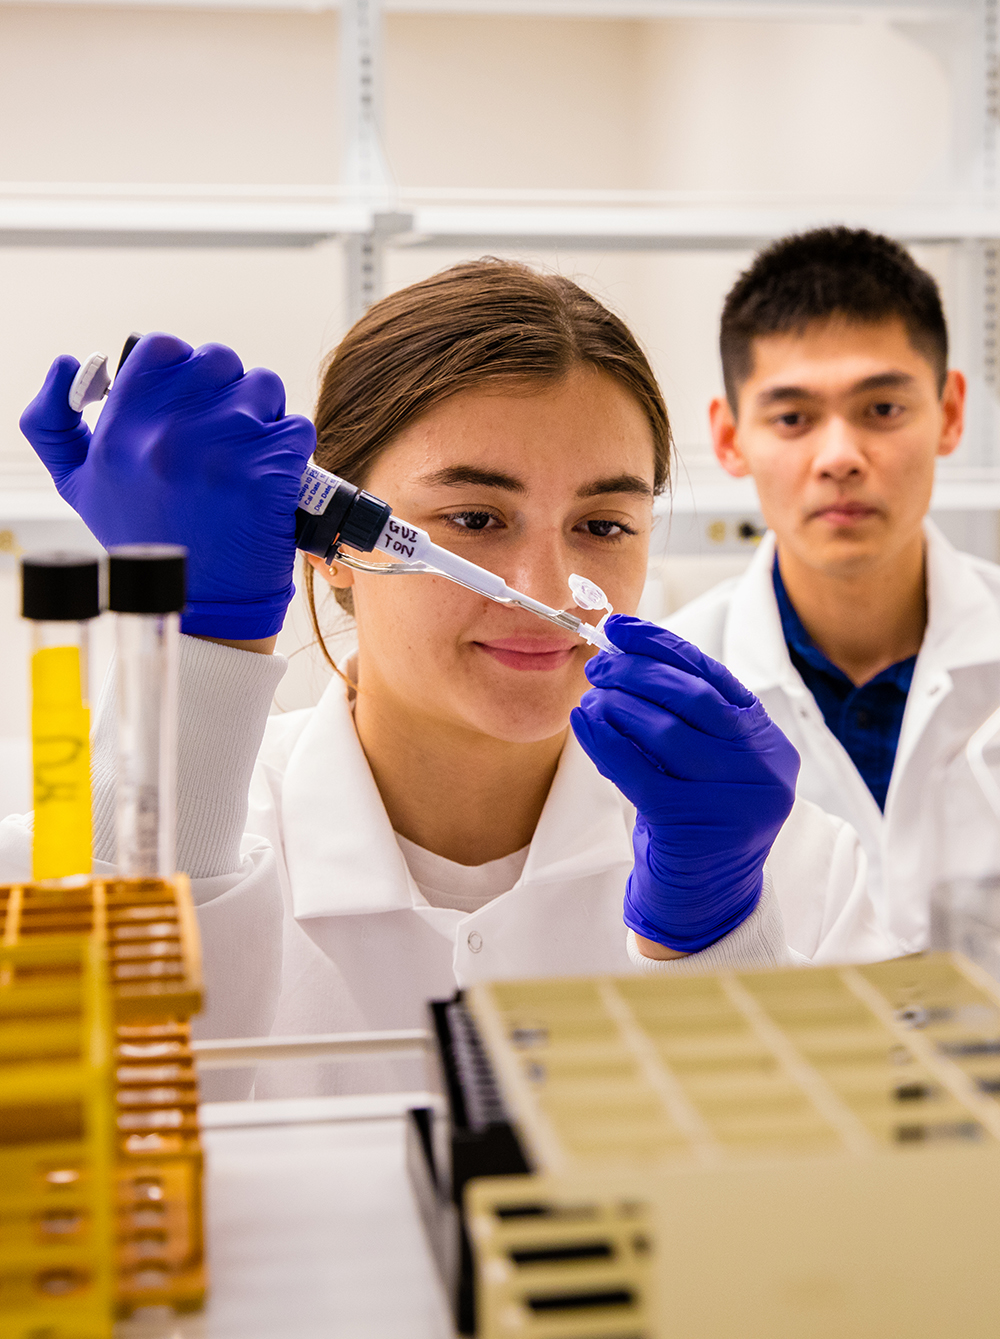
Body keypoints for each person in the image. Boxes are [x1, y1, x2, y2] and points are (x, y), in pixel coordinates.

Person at [10, 260, 890, 1097]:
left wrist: (723, 946)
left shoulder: (792, 870)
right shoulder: (114, 844)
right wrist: (197, 648)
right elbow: (71, 1156)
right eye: (475, 517)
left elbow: (842, 1229)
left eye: (604, 525)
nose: (544, 590)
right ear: (334, 547)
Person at [668, 226, 1000, 956]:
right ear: (729, 438)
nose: (841, 457)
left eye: (882, 409)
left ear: (949, 413)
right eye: (792, 418)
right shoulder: (678, 690)